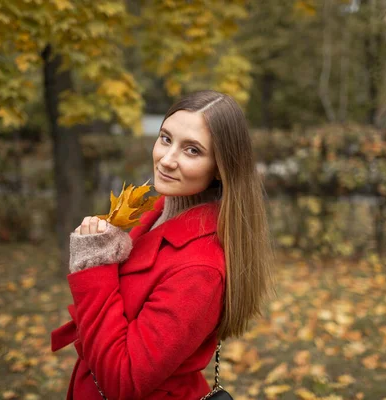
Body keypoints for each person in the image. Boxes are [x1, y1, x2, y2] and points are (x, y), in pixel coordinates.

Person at [51, 90, 274, 399]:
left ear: (222, 167)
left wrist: (96, 265)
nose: (167, 160)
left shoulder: (201, 270)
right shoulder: (157, 213)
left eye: (192, 150)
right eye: (166, 139)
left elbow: (124, 382)